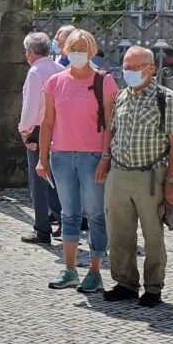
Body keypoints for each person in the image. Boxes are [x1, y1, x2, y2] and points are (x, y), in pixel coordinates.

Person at [37, 29, 117, 293]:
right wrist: (42, 158)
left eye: (83, 48)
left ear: (92, 51)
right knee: (68, 214)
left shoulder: (104, 82)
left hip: (92, 156)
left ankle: (95, 271)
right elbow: (47, 122)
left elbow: (110, 125)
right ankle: (69, 269)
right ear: (65, 51)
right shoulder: (55, 82)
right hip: (61, 156)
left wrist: (105, 157)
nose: (78, 53)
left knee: (95, 215)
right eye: (73, 48)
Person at [103, 46, 173, 307]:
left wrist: (171, 181)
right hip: (119, 172)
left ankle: (153, 287)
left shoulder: (166, 98)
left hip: (151, 175)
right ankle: (125, 282)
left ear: (151, 69)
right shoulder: (122, 97)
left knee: (153, 234)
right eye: (126, 67)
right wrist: (105, 161)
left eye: (135, 67)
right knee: (119, 232)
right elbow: (112, 131)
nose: (129, 72)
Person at [18, 32, 64, 244]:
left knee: (38, 179)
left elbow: (30, 105)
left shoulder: (36, 72)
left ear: (30, 53)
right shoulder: (60, 69)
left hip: (38, 127)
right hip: (59, 128)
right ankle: (64, 219)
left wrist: (25, 130)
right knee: (55, 176)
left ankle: (41, 229)